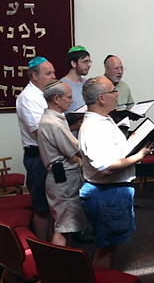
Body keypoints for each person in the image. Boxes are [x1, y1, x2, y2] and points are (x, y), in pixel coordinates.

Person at [78, 76, 154, 268]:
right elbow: (106, 166)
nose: (117, 94)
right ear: (102, 98)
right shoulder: (94, 126)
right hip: (107, 194)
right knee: (105, 251)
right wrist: (139, 156)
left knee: (109, 246)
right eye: (113, 91)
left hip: (112, 191)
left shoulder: (104, 119)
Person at [38, 80, 89, 246]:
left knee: (66, 226)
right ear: (57, 99)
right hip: (64, 180)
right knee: (62, 228)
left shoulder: (51, 119)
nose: (72, 101)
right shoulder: (55, 124)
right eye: (69, 97)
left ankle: (63, 266)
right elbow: (76, 150)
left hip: (60, 178)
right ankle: (55, 268)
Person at [16, 56, 56, 241]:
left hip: (51, 154)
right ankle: (43, 251)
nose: (53, 77)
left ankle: (53, 247)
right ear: (34, 76)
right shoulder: (28, 98)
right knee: (41, 207)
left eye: (53, 72)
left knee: (52, 206)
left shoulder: (45, 95)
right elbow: (39, 131)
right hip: (37, 156)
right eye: (48, 74)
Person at [61, 45, 92, 114]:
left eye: (89, 61)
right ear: (74, 63)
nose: (89, 65)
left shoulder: (88, 84)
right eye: (85, 61)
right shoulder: (62, 85)